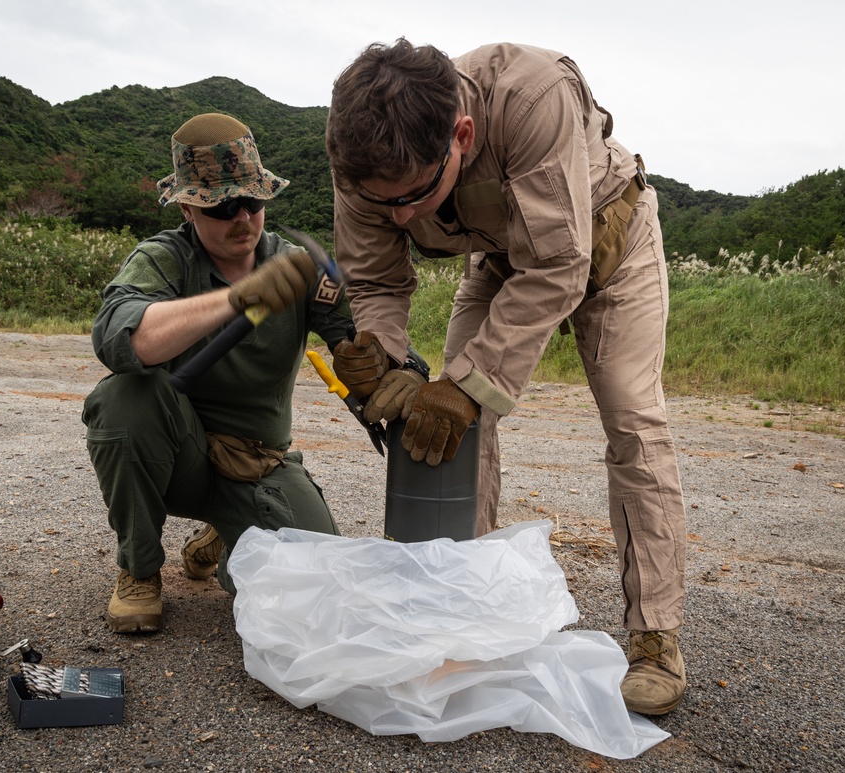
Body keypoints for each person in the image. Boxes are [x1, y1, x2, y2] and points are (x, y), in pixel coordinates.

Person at [325, 40, 688, 716]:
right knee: (445, 424)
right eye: (385, 203)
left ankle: (655, 636)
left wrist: (468, 384)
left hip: (611, 239)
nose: (401, 217)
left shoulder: (532, 95)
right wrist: (386, 358)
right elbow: (374, 275)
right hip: (501, 260)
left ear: (462, 135)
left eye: (411, 196)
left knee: (634, 422)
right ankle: (454, 606)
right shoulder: (362, 150)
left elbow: (560, 263)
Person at [82, 113, 353, 633]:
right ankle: (138, 569)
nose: (242, 219)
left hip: (257, 463)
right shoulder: (164, 259)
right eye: (223, 206)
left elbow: (352, 338)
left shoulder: (297, 266)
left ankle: (229, 535)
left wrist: (368, 361)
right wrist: (236, 300)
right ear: (188, 208)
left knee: (316, 587)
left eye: (252, 202)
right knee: (125, 397)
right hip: (178, 460)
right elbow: (122, 339)